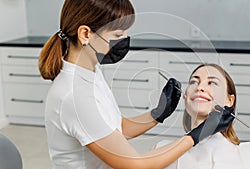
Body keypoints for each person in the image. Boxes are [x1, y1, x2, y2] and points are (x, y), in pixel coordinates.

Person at [39, 0, 235, 168]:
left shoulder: (90, 71)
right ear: (85, 34)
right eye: (117, 35)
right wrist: (197, 135)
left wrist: (158, 114)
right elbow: (135, 164)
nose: (124, 41)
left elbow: (117, 129)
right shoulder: (74, 96)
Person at [155, 63, 250, 169]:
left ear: (229, 100)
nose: (200, 87)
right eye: (194, 82)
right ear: (185, 96)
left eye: (212, 83)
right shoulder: (160, 150)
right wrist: (155, 115)